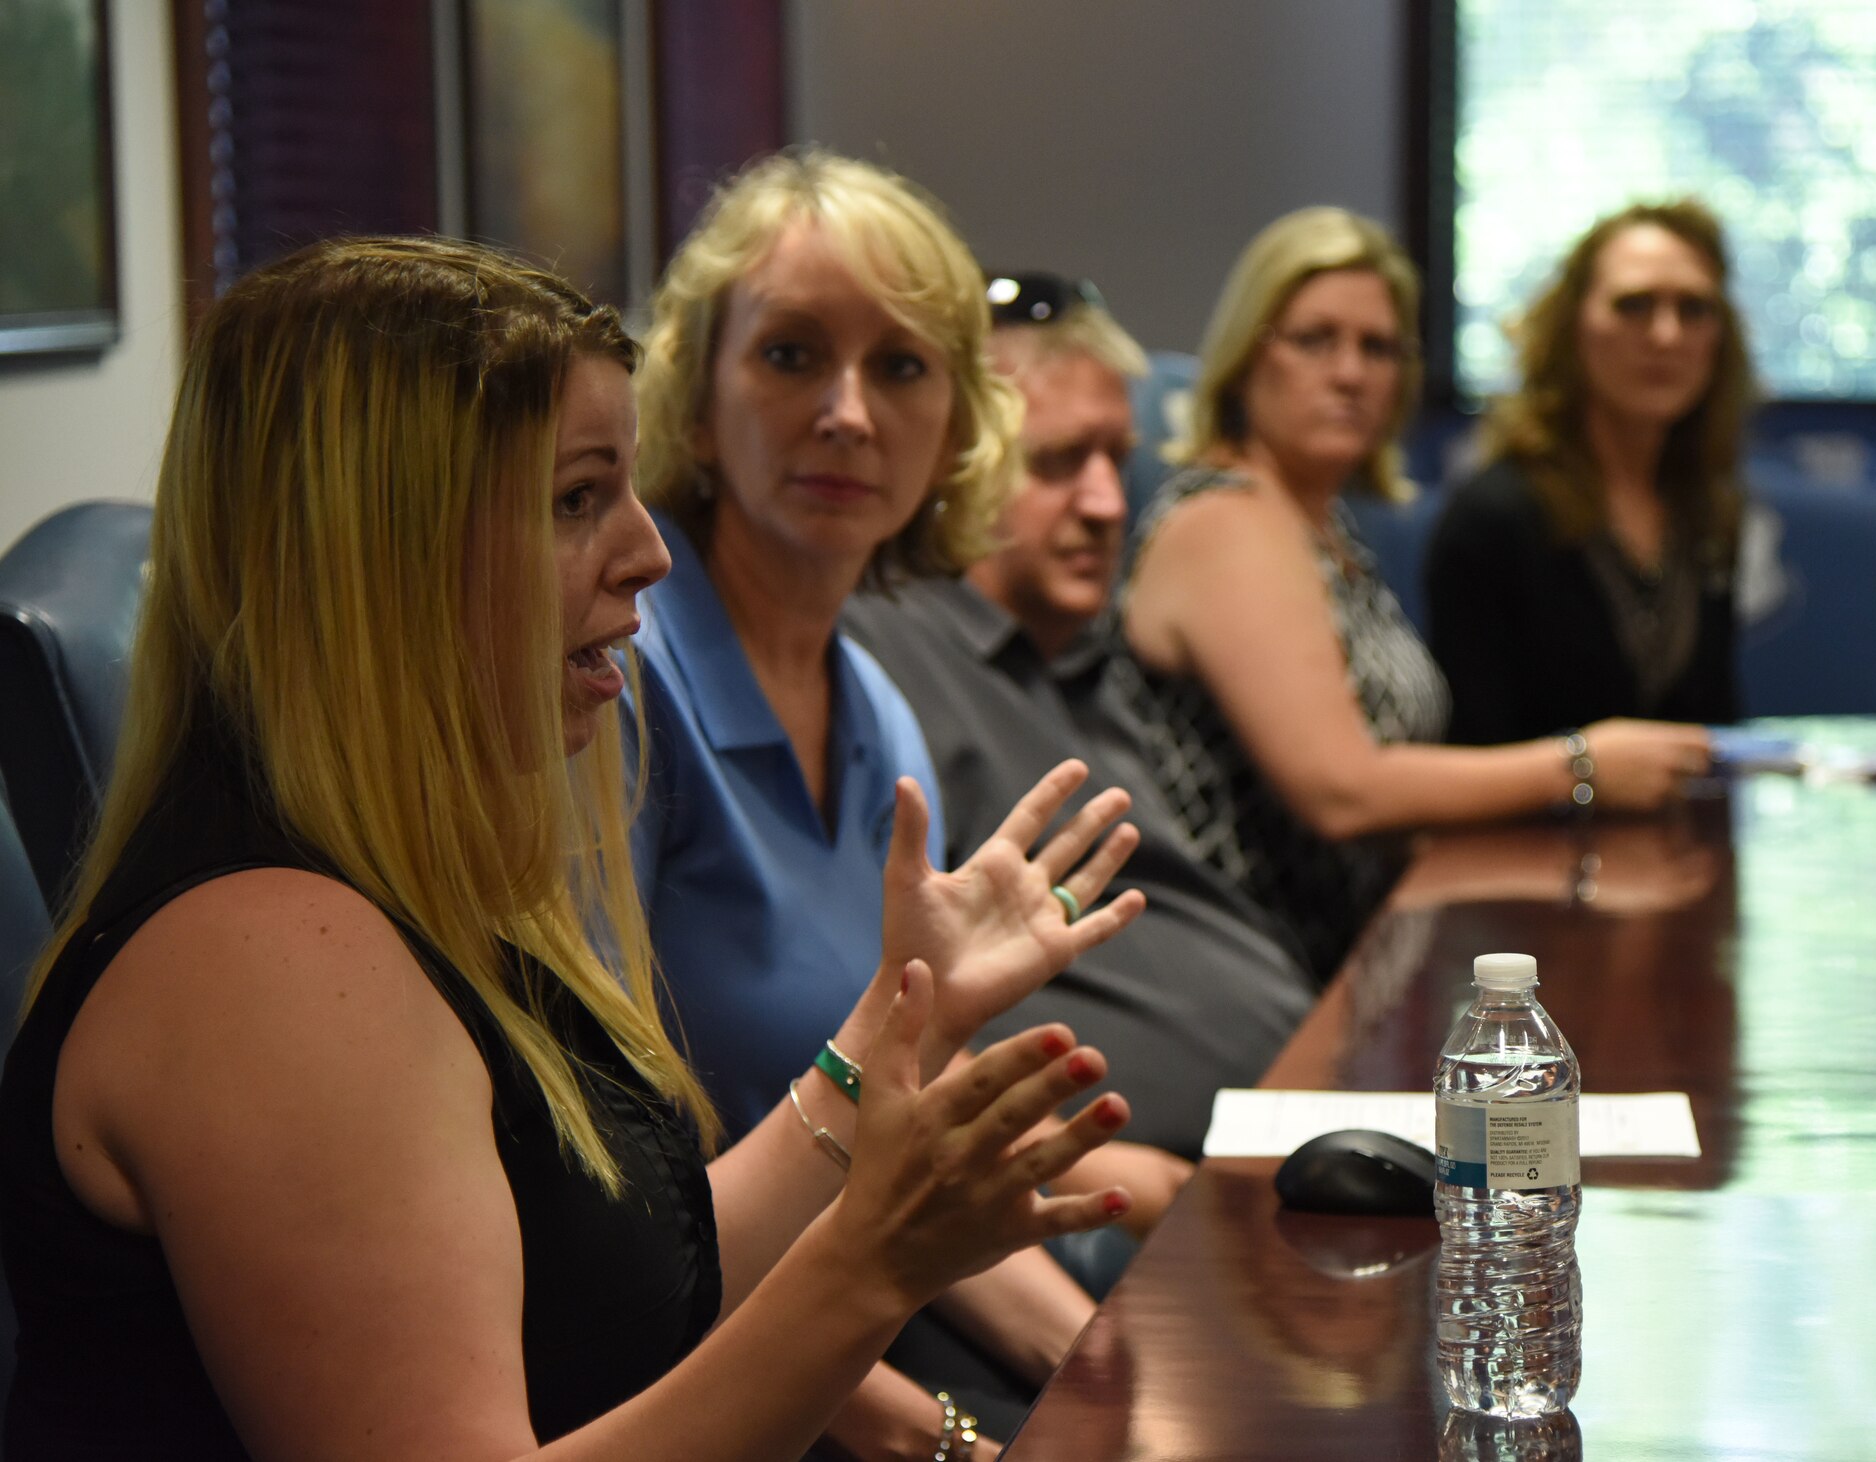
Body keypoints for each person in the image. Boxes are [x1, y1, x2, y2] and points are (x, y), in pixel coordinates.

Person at [0, 236, 1143, 1459]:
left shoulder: (399, 890)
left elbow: (623, 1285)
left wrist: (894, 1022)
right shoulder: (269, 968)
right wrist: (869, 1269)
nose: (649, 552)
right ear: (385, 554)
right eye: (576, 498)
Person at [626, 153, 1154, 1452]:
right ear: (696, 401)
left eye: (902, 366)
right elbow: (615, 1243)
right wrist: (942, 1437)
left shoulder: (872, 704)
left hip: (854, 1316)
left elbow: (897, 1136)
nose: (850, 413)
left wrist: (1111, 1371)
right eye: (794, 356)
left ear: (960, 422)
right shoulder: (621, 684)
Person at [1116, 206, 1710, 976]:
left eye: (1379, 347)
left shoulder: (1322, 527)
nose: (1351, 372)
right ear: (1246, 356)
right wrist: (1582, 764)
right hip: (1251, 978)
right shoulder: (1227, 519)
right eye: (1314, 340)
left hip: (1363, 957)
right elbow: (1343, 792)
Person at [845, 273, 1317, 1161]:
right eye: (1059, 464)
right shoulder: (886, 654)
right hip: (1129, 1182)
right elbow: (870, 1011)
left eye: (1117, 460)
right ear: (955, 469)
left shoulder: (1084, 653)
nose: (1107, 504)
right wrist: (1077, 1156)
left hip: (1285, 1123)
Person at [1426, 199, 1753, 744]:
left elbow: (1715, 729)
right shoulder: (1494, 517)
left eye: (1694, 309)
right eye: (1634, 305)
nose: (1666, 336)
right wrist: (1586, 775)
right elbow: (1468, 753)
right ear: (1573, 326)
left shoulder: (1707, 510)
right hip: (1525, 829)